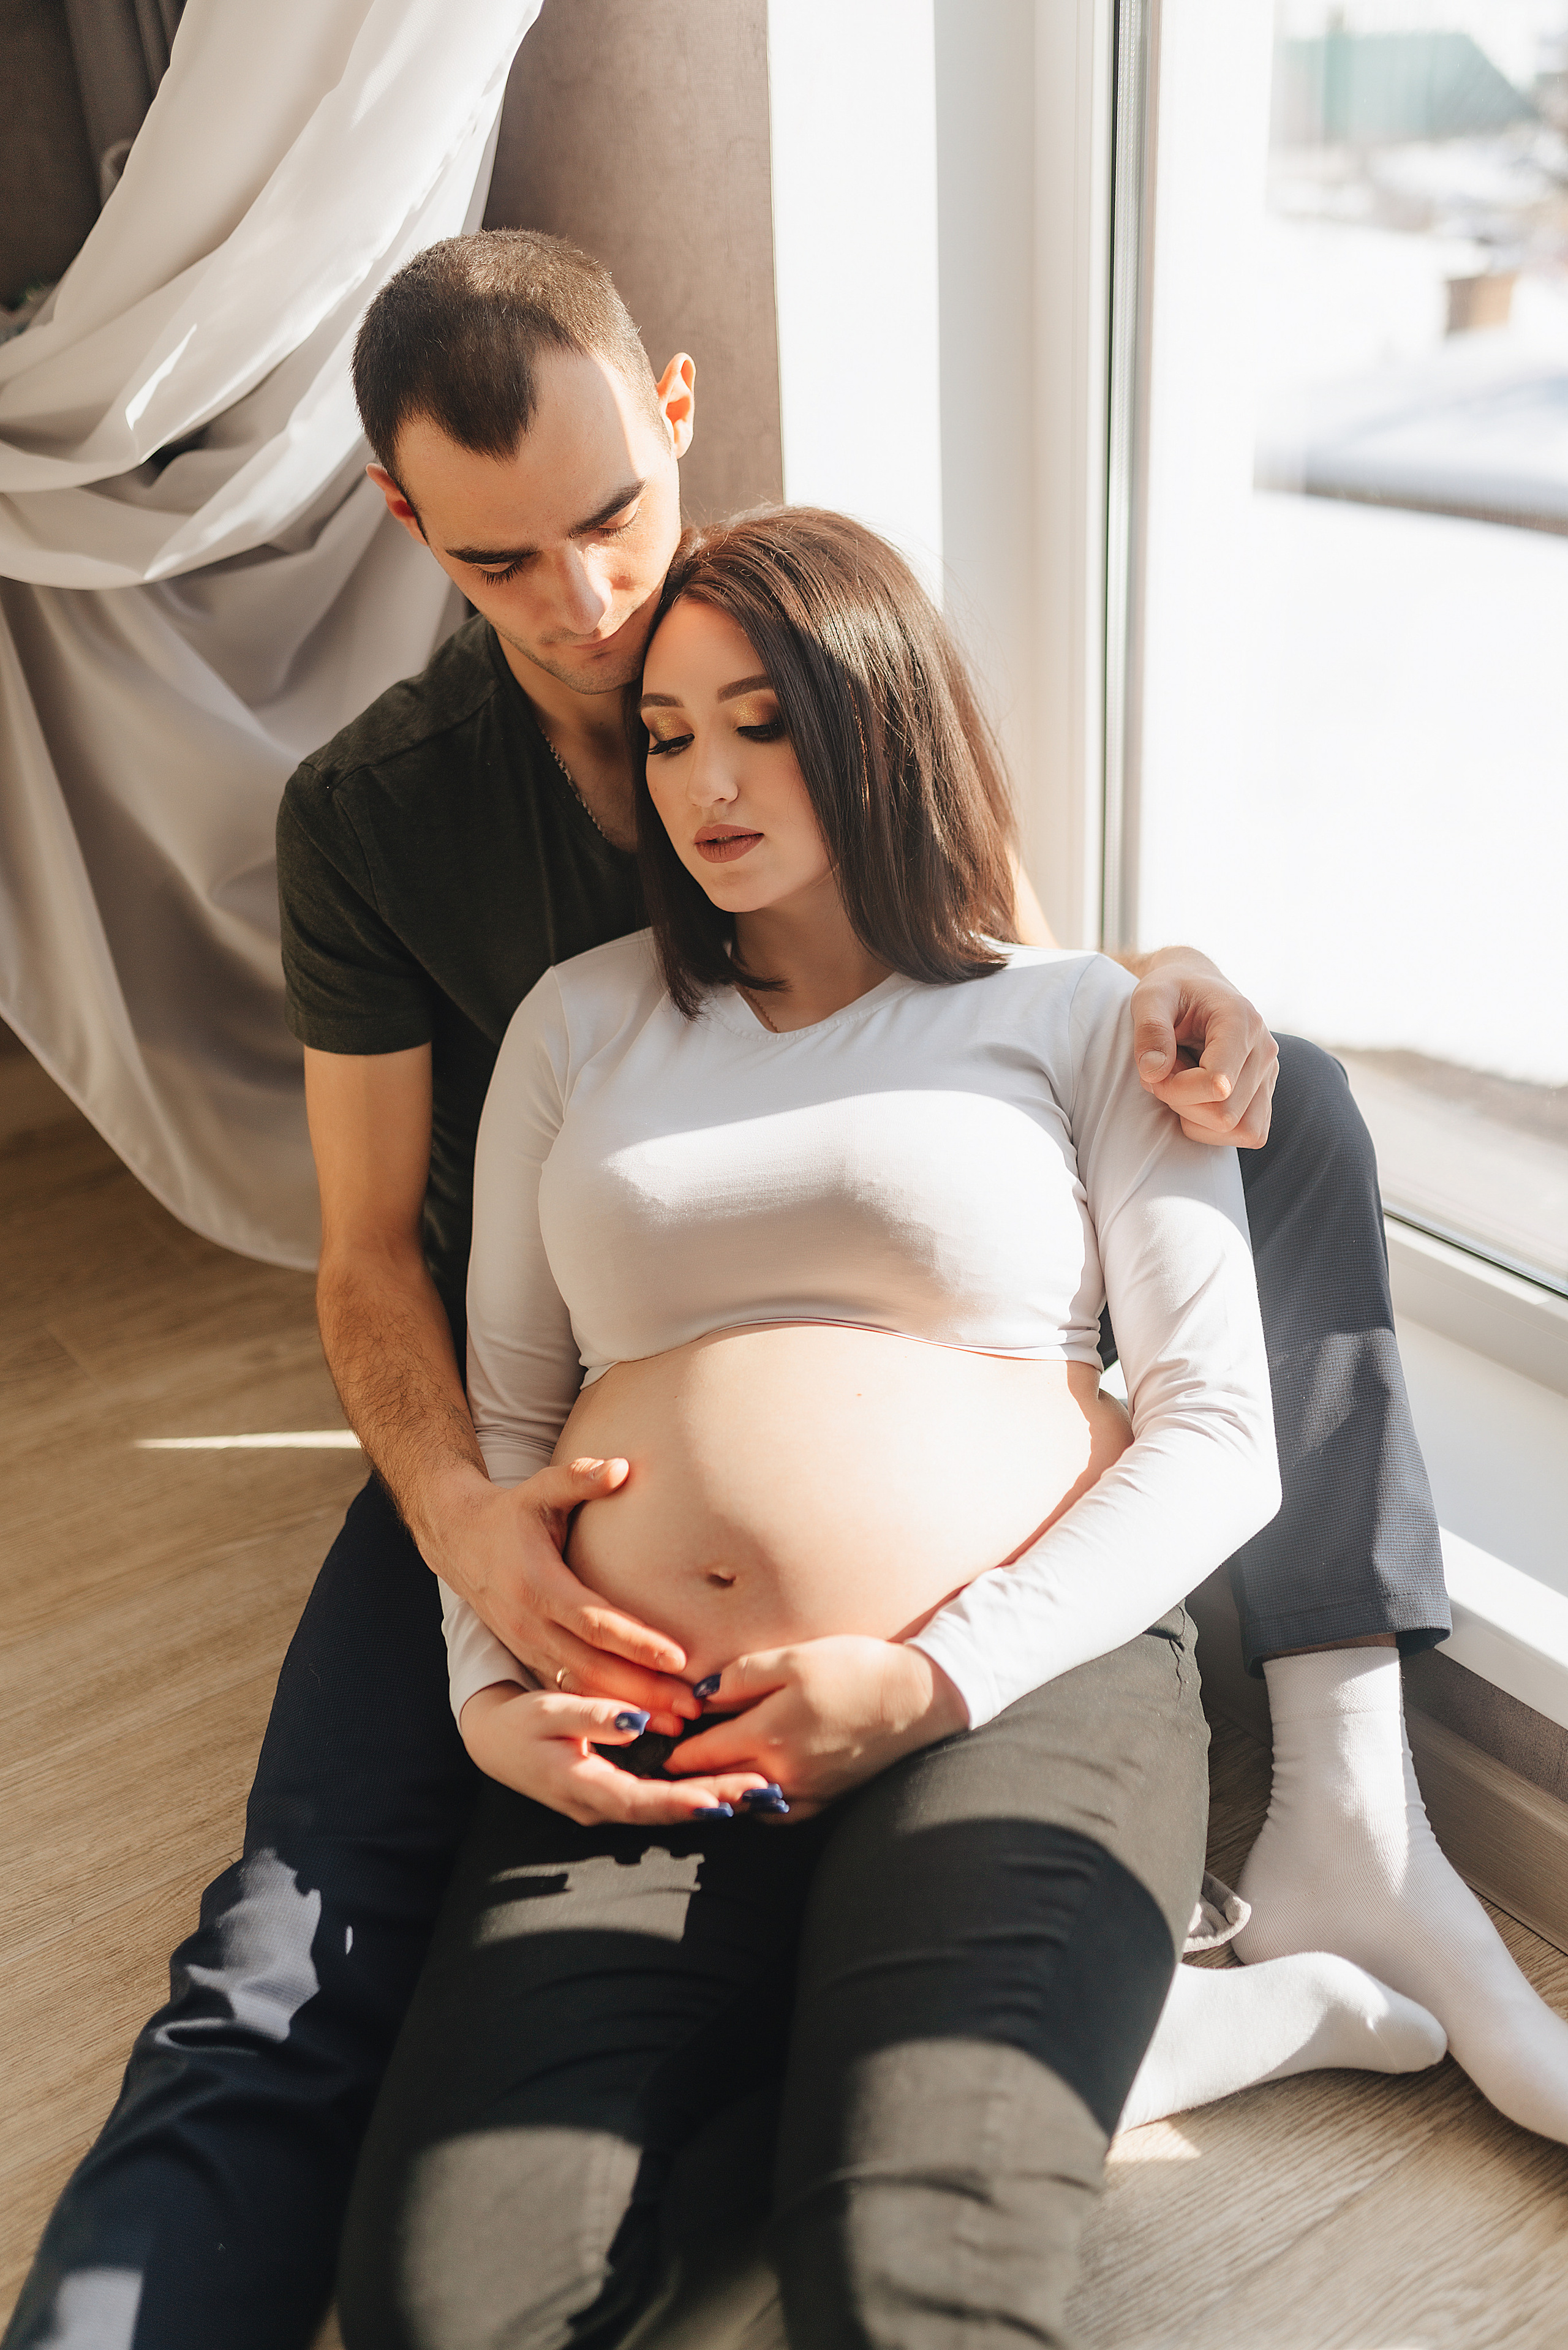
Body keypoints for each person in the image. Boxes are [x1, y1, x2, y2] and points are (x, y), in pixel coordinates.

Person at [5, 228, 1560, 2350]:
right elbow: (374, 1252)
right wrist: (477, 1563)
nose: (586, 605)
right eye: (501, 566)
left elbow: (963, 1031)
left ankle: (1344, 1824)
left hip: (971, 1584)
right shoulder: (396, 840)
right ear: (402, 526)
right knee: (290, 1986)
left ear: (677, 415)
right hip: (535, 1469)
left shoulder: (821, 644)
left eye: (610, 523)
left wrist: (1151, 990)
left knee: (1291, 1115)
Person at [328, 503, 1450, 2349]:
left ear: (873, 710)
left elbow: (1222, 1432)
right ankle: (1135, 2029)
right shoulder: (577, 1025)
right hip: (651, 1717)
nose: (707, 779)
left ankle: (1080, 2030)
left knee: (906, 2275)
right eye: (669, 734)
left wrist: (932, 1680)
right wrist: (487, 1690)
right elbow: (508, 1415)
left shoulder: (1089, 1020)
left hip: (1014, 1684)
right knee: (446, 2304)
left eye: (759, 718)